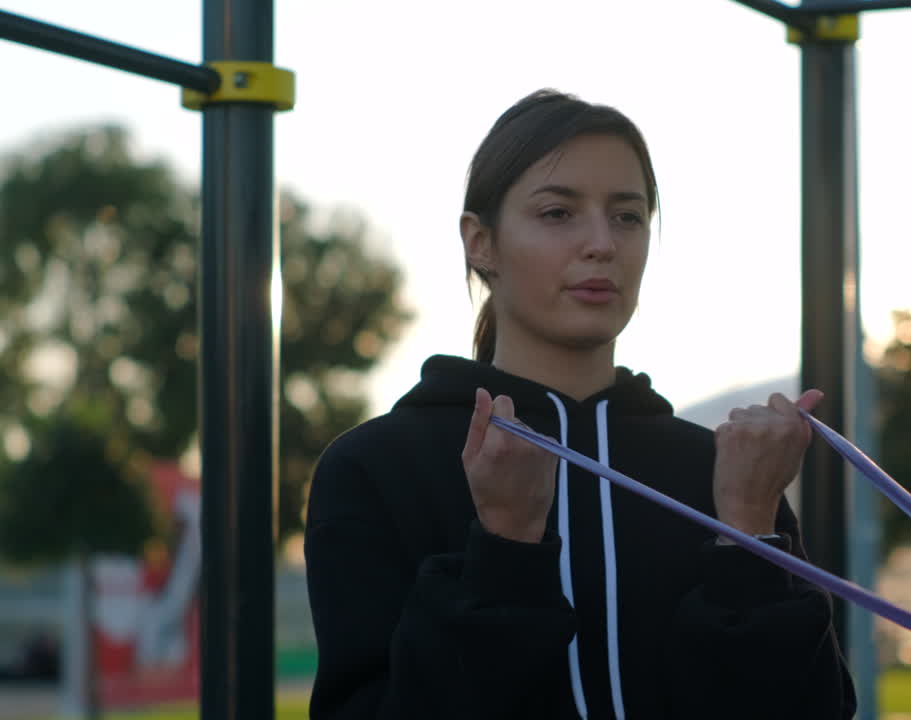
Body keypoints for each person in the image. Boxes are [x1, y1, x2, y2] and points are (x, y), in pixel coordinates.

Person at [304, 89, 856, 719]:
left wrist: (748, 532)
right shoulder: (376, 467)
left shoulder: (721, 471)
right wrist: (506, 548)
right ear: (479, 241)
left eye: (627, 216)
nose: (602, 244)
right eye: (558, 213)